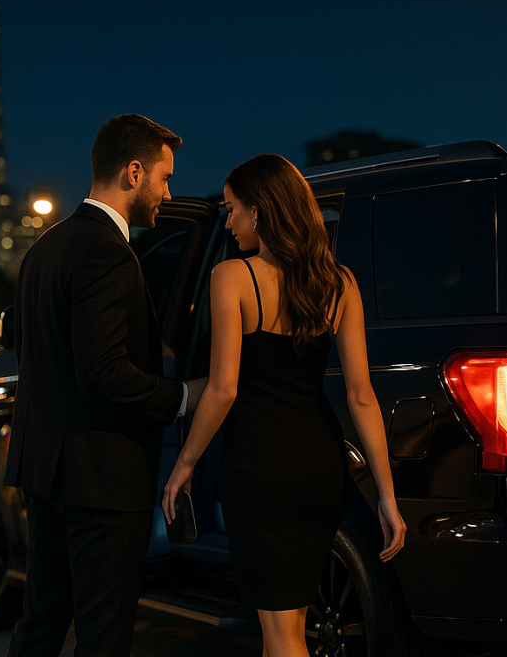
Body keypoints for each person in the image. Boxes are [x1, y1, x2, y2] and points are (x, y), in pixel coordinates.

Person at [162, 154, 407, 657]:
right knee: (294, 624)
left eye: (232, 209)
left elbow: (224, 388)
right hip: (321, 467)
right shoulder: (340, 282)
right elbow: (361, 395)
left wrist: (183, 465)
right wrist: (386, 495)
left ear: (259, 211)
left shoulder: (232, 277)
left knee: (280, 636)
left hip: (260, 468)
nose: (227, 222)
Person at [6, 114, 205, 657]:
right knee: (103, 635)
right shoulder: (108, 252)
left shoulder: (45, 248)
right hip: (101, 476)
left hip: (44, 467)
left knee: (41, 620)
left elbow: (39, 351)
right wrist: (186, 395)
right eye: (165, 177)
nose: (168, 192)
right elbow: (102, 372)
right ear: (134, 172)